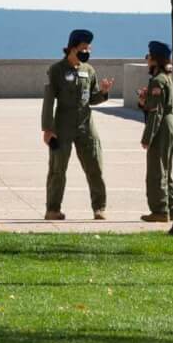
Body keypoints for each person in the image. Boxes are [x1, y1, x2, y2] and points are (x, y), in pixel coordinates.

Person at [41, 28, 114, 220]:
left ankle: (99, 207)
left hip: (85, 125)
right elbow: (49, 101)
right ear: (72, 48)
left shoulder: (89, 71)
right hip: (63, 125)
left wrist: (104, 93)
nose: (86, 52)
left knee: (95, 166)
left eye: (89, 49)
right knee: (57, 169)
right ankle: (53, 209)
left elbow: (92, 98)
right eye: (83, 48)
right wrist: (48, 129)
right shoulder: (56, 70)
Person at [139, 39, 173, 224]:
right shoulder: (169, 77)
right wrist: (143, 102)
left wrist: (147, 137)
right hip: (171, 124)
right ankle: (172, 207)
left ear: (155, 59)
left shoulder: (158, 80)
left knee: (156, 170)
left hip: (161, 127)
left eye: (148, 57)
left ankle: (160, 210)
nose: (147, 61)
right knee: (167, 169)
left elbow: (156, 112)